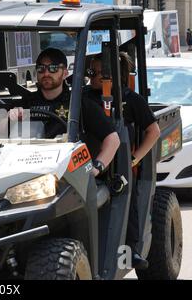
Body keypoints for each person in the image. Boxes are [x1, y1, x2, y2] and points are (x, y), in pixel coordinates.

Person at [85, 52, 161, 269]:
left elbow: (153, 131)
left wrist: (135, 159)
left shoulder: (131, 99)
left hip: (121, 167)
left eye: (100, 73)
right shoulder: (84, 97)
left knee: (129, 201)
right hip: (90, 163)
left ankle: (131, 251)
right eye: (92, 72)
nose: (93, 77)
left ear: (114, 74)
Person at [11, 48, 120, 177]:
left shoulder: (79, 104)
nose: (46, 73)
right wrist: (10, 117)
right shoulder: (26, 102)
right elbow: (0, 137)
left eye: (53, 68)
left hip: (69, 174)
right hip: (27, 168)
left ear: (65, 73)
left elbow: (113, 139)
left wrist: (96, 168)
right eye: (41, 69)